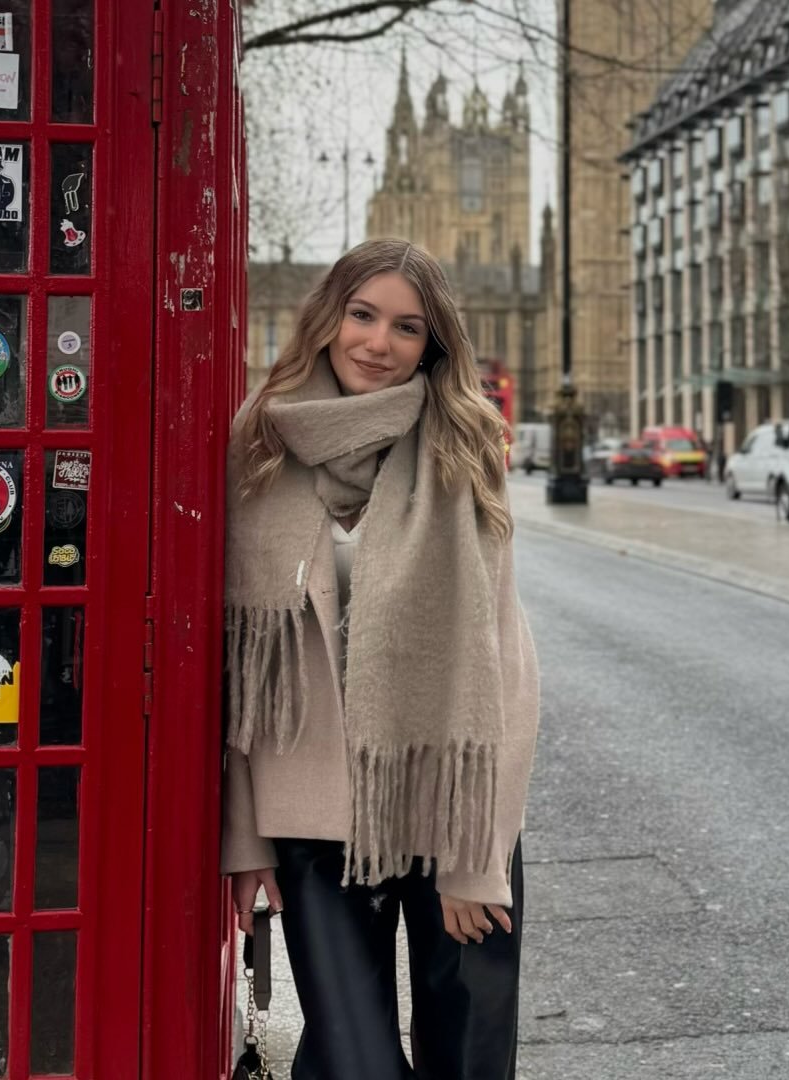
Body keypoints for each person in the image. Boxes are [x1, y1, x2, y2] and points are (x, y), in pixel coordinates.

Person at [222, 238, 540, 1080]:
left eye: (407, 327)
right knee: (354, 1063)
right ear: (328, 317)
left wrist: (479, 860)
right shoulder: (259, 445)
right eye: (363, 315)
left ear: (432, 344)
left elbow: (504, 660)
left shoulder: (464, 445)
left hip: (448, 809)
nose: (378, 342)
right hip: (311, 819)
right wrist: (243, 838)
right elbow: (238, 671)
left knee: (467, 1063)